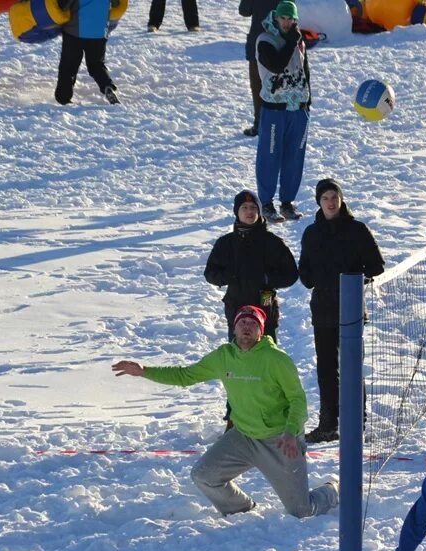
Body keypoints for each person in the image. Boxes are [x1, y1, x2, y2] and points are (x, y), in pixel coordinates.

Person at [112, 305, 339, 517]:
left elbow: (298, 400)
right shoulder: (223, 356)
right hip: (244, 437)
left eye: (253, 323)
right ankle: (241, 508)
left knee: (301, 511)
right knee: (203, 476)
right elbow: (185, 376)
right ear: (234, 328)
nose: (247, 327)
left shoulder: (276, 359)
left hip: (279, 440)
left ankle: (333, 490)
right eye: (242, 323)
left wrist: (291, 432)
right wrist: (144, 371)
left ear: (261, 330)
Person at [298, 178, 385, 443]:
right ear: (319, 202)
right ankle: (328, 423)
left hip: (351, 308)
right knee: (326, 369)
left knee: (352, 367)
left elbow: (376, 266)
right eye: (325, 198)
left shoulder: (357, 230)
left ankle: (356, 423)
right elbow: (306, 276)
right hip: (322, 309)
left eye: (334, 197)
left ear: (341, 199)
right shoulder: (311, 233)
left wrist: (355, 276)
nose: (331, 203)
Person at [205, 190, 299, 343]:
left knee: (266, 361)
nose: (249, 211)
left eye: (253, 207)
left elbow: (291, 274)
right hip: (236, 308)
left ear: (259, 211)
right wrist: (228, 275)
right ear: (237, 212)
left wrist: (268, 279)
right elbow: (210, 273)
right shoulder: (226, 243)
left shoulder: (272, 242)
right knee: (239, 360)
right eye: (244, 207)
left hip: (265, 307)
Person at [254, 0, 311, 223]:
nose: (286, 23)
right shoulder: (265, 39)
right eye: (283, 18)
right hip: (274, 108)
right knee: (270, 155)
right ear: (275, 17)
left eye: (290, 19)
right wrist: (290, 42)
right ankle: (266, 203)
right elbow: (276, 65)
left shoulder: (298, 40)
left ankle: (287, 201)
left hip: (299, 107)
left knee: (294, 156)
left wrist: (308, 100)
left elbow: (304, 70)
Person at [54, 0, 121, 105]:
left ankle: (63, 98)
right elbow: (117, 4)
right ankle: (107, 86)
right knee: (97, 64)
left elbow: (63, 5)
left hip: (74, 32)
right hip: (98, 32)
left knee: (69, 65)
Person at [237, 0, 280, 137]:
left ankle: (259, 124)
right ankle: (277, 123)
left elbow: (244, 11)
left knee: (257, 85)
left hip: (257, 43)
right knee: (279, 85)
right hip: (280, 42)